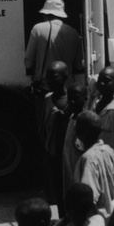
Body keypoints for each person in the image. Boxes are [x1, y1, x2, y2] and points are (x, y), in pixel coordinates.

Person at [72, 111, 114, 218]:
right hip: (112, 219)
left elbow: (87, 198)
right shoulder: (109, 151)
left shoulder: (88, 159)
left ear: (80, 131)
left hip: (96, 222)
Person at [24, 0, 83, 92]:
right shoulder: (74, 33)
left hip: (45, 87)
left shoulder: (38, 29)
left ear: (45, 14)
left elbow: (28, 62)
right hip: (67, 89)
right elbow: (79, 65)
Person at [41, 61, 70, 204]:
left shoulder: (73, 99)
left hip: (70, 152)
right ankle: (62, 218)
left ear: (65, 77)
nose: (49, 81)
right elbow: (44, 126)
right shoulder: (47, 100)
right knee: (57, 187)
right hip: (53, 151)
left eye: (54, 77)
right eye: (48, 78)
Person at [60, 81, 89, 204]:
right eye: (69, 98)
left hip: (79, 167)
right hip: (69, 164)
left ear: (85, 99)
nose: (72, 101)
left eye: (76, 98)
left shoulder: (85, 120)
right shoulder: (71, 117)